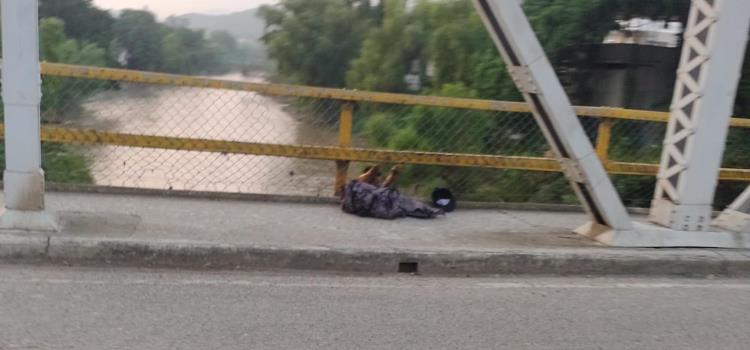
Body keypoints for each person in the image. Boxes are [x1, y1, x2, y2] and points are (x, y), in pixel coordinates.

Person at [341, 164, 443, 219]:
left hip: (377, 199)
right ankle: (368, 175)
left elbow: (384, 188)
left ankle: (426, 210)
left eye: (375, 176)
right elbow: (355, 187)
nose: (376, 178)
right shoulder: (358, 187)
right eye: (372, 176)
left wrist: (393, 174)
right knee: (357, 185)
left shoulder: (378, 188)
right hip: (363, 196)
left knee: (404, 201)